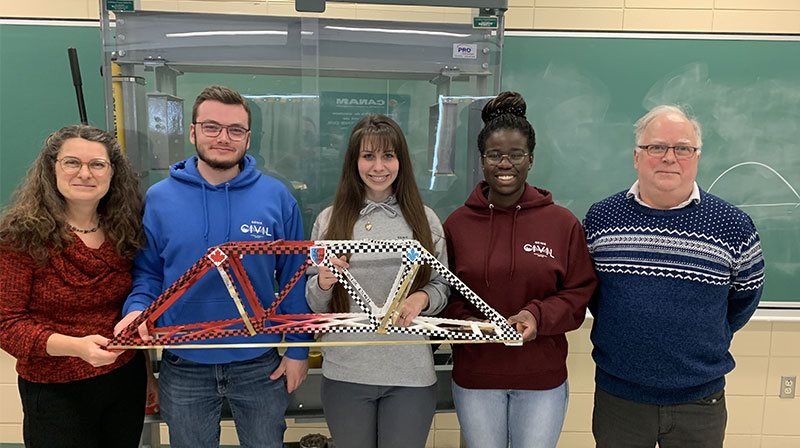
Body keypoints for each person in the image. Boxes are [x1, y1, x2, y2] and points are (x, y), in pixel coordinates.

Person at [115, 85, 312, 448]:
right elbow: (148, 274)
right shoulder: (158, 199)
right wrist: (138, 309)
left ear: (248, 138)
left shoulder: (276, 196)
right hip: (184, 362)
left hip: (260, 364)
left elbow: (294, 276)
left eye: (235, 130)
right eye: (211, 127)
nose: (223, 138)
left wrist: (299, 349)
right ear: (192, 131)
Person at [583, 105, 765, 448]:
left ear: (696, 157)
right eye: (656, 147)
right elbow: (593, 291)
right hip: (620, 398)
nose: (670, 157)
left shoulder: (733, 226)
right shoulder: (601, 219)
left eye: (682, 148)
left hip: (699, 400)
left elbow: (744, 297)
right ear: (637, 156)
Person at [442, 92, 597, 448]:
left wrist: (536, 316)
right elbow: (443, 291)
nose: (505, 164)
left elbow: (578, 292)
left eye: (516, 155)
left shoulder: (561, 223)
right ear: (482, 160)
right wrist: (471, 325)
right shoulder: (458, 224)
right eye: (495, 155)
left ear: (531, 160)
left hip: (541, 378)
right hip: (477, 376)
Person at [306, 114, 449, 448]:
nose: (379, 166)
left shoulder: (425, 220)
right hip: (345, 373)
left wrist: (421, 299)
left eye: (388, 155)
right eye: (368, 156)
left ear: (401, 160)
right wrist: (325, 282)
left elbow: (442, 287)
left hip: (410, 374)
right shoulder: (328, 221)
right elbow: (314, 303)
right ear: (354, 161)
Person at [0, 125, 147, 447]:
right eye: (72, 162)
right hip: (54, 389)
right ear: (51, 168)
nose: (85, 173)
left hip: (124, 380)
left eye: (97, 164)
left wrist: (147, 375)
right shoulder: (21, 235)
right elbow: (7, 324)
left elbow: (134, 306)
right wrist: (76, 347)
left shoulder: (125, 229)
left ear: (112, 173)